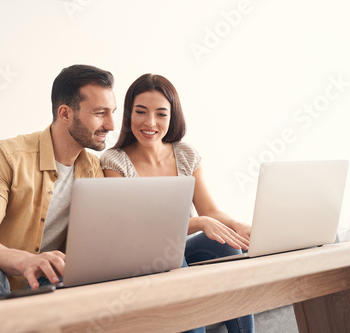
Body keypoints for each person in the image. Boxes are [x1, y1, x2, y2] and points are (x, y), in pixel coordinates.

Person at [0, 64, 117, 303]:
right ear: (65, 114)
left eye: (112, 112)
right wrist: (25, 261)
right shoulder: (7, 156)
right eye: (100, 114)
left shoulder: (95, 169)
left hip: (49, 285)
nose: (111, 125)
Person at [100, 73, 254, 333]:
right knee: (170, 257)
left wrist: (238, 226)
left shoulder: (186, 154)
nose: (150, 122)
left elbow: (210, 212)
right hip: (142, 259)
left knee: (227, 244)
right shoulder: (114, 162)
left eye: (161, 113)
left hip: (182, 251)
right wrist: (200, 222)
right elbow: (137, 227)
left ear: (172, 117)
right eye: (141, 112)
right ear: (129, 115)